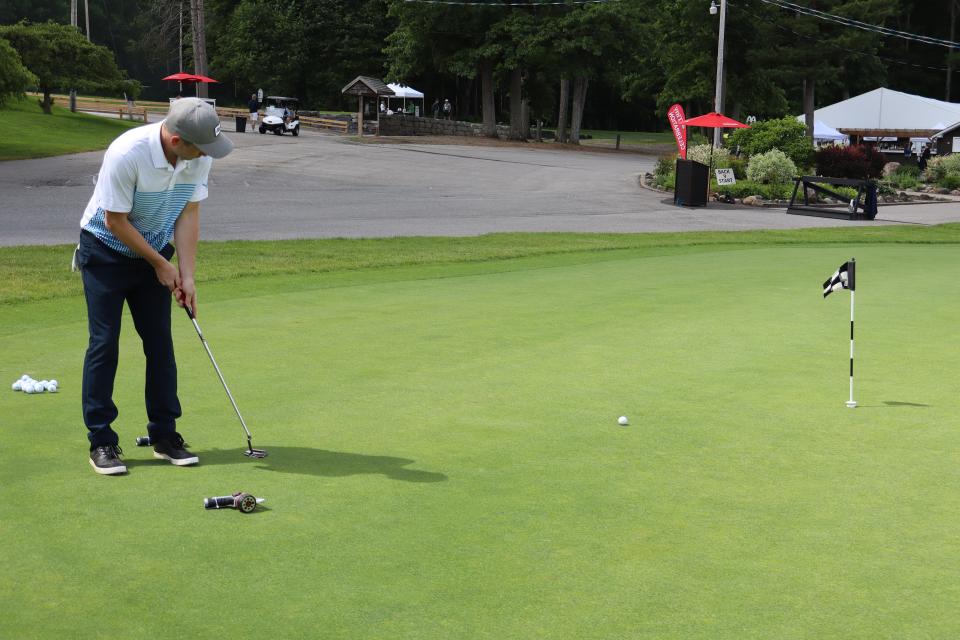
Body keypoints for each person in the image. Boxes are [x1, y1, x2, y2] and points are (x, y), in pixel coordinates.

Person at [76, 97, 234, 475]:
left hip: (154, 249)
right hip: (105, 250)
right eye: (200, 147)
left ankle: (164, 436)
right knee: (105, 342)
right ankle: (101, 441)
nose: (205, 155)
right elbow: (115, 221)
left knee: (160, 343)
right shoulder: (127, 153)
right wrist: (162, 264)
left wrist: (187, 274)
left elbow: (189, 212)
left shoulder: (199, 156)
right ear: (177, 140)